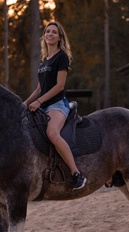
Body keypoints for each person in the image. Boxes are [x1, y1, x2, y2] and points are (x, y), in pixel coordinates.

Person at [24, 21, 87, 190]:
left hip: (58, 104)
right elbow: (39, 88)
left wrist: (39, 102)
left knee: (52, 133)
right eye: (47, 31)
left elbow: (59, 86)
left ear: (59, 38)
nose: (49, 34)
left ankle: (76, 174)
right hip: (43, 105)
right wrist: (25, 103)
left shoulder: (61, 57)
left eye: (53, 32)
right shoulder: (44, 61)